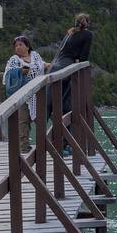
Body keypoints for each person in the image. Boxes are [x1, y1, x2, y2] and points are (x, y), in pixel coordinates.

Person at [48, 13, 92, 153]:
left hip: (54, 69)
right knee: (67, 107)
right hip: (66, 71)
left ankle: (57, 144)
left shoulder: (69, 33)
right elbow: (84, 57)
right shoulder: (87, 35)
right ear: (87, 23)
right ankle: (65, 145)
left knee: (52, 107)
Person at [3, 36, 45, 147]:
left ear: (27, 46)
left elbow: (41, 65)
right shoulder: (14, 60)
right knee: (23, 119)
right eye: (16, 46)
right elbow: (8, 73)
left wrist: (47, 65)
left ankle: (44, 143)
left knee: (40, 118)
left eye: (20, 45)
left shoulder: (35, 56)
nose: (18, 47)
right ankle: (24, 144)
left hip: (38, 92)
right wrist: (20, 71)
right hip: (22, 93)